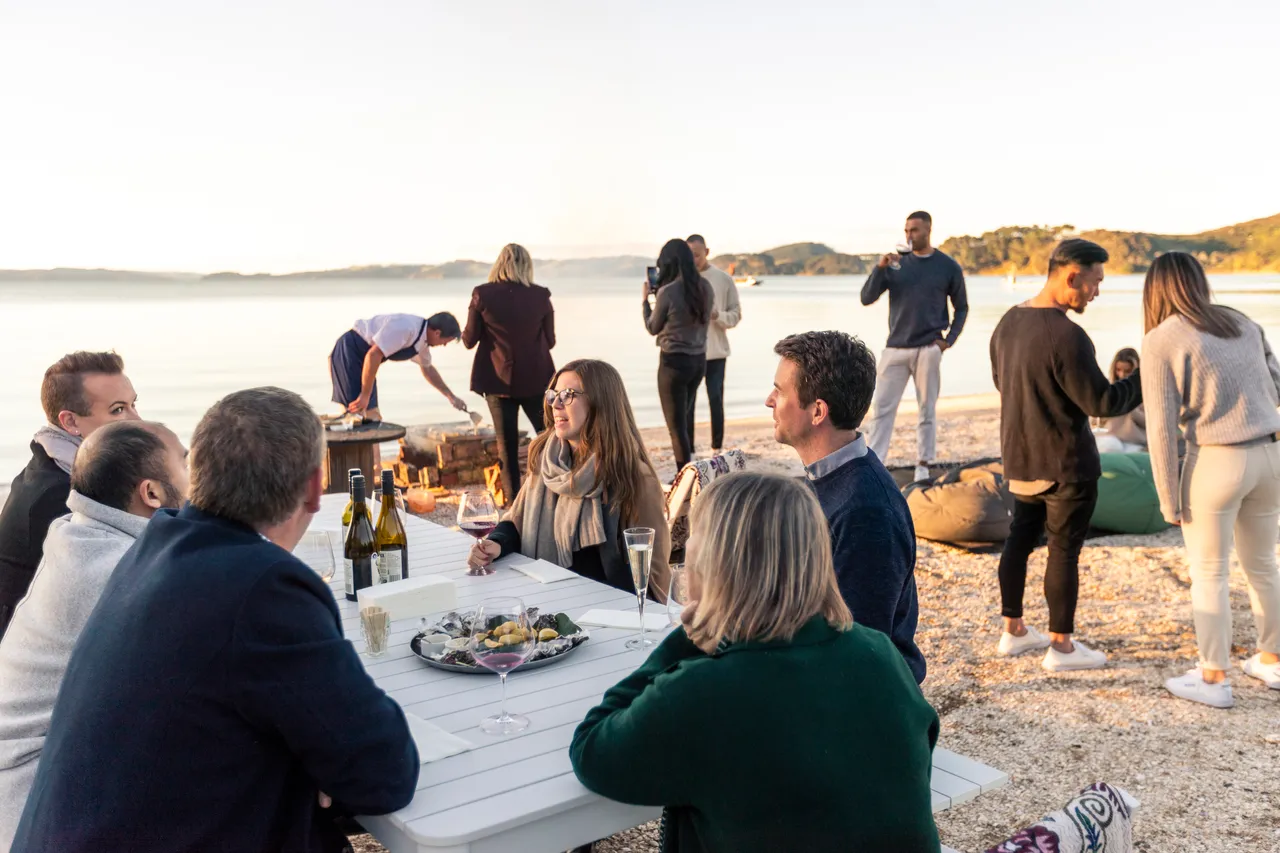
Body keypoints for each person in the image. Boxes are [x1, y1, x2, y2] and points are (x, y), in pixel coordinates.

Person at [12, 387, 418, 852]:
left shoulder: (151, 548)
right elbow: (384, 774)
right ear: (313, 488)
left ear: (199, 474)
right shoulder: (263, 586)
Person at [570, 472, 940, 853]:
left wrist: (688, 639)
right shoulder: (880, 655)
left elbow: (592, 751)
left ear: (714, 561)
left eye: (693, 537)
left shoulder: (703, 691)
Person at [0, 420, 188, 849]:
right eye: (185, 462)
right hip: (40, 803)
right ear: (152, 493)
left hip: (58, 770)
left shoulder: (79, 532)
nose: (195, 476)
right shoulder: (121, 571)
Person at [989, 238, 1142, 672]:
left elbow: (1003, 382)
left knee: (1019, 540)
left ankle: (1013, 631)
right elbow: (1104, 403)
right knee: (1062, 551)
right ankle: (1062, 647)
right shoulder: (1067, 335)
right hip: (1064, 465)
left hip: (1018, 458)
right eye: (1094, 283)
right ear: (1071, 276)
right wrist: (1144, 377)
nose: (1096, 292)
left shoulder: (1008, 321)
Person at [1140, 252, 1280, 708]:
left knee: (1210, 573)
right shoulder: (1242, 322)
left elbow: (1161, 429)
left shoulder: (1162, 339)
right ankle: (1272, 661)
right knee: (1263, 566)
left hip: (1215, 463)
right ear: (1199, 282)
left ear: (1155, 289)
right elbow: (1277, 384)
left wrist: (1167, 498)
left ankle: (1214, 678)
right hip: (1270, 454)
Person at [767, 331, 926, 682]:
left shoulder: (866, 510)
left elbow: (859, 646)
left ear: (817, 411)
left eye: (780, 391)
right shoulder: (827, 478)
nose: (769, 400)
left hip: (859, 698)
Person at [467, 359, 671, 601]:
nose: (556, 404)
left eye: (568, 395)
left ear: (601, 402)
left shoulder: (632, 477)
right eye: (553, 395)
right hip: (543, 596)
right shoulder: (545, 457)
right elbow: (517, 520)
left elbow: (653, 571)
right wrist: (496, 544)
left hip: (606, 608)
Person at [0, 351, 139, 640]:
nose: (137, 420)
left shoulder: (55, 466)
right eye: (117, 410)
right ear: (70, 422)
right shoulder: (61, 496)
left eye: (133, 405)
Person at [860, 211, 969, 482]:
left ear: (928, 230)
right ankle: (876, 465)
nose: (909, 235)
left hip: (928, 349)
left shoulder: (948, 266)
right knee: (882, 409)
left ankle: (923, 466)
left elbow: (962, 308)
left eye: (915, 230)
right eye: (907, 230)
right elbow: (866, 298)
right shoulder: (895, 265)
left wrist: (947, 341)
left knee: (926, 409)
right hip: (895, 347)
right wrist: (880, 268)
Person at [462, 243, 556, 501]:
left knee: (507, 448)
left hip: (497, 381)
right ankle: (556, 493)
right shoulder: (541, 295)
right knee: (550, 437)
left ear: (498, 264)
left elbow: (469, 340)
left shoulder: (482, 294)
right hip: (537, 378)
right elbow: (550, 340)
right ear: (528, 266)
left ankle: (514, 503)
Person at [643, 239, 714, 471]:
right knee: (683, 420)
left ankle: (685, 477)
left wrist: (646, 301)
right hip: (698, 362)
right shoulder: (706, 288)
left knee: (676, 428)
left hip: (673, 364)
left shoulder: (668, 292)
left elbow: (653, 327)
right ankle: (690, 470)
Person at [329, 311, 467, 420]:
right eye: (445, 341)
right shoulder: (405, 327)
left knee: (373, 418)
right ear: (437, 333)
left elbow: (428, 369)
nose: (443, 345)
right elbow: (373, 355)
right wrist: (365, 395)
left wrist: (451, 396)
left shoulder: (423, 341)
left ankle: (375, 457)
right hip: (349, 354)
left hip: (367, 363)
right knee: (356, 417)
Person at [687, 234, 742, 456]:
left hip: (716, 352)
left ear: (707, 252)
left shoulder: (722, 279)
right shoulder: (681, 281)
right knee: (687, 405)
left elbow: (736, 315)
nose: (693, 260)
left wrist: (718, 315)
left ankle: (716, 449)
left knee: (715, 400)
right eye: (688, 255)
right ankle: (688, 450)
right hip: (689, 352)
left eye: (697, 255)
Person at [1094, 348, 1147, 451]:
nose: (1122, 375)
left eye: (1127, 371)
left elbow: (1150, 422)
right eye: (1118, 370)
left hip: (1135, 441)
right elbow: (1095, 420)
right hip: (1111, 437)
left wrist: (1130, 408)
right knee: (1108, 446)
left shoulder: (1145, 392)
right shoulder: (1110, 390)